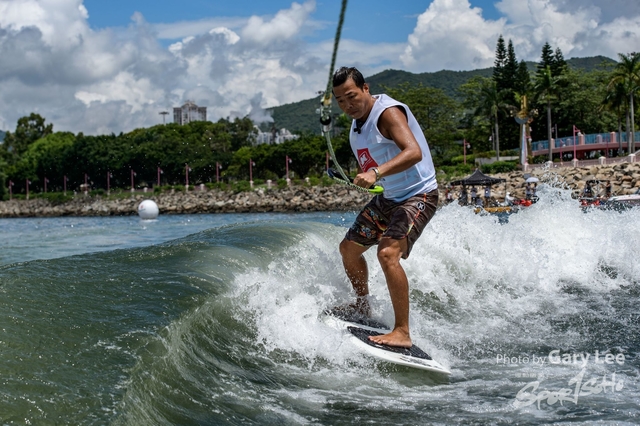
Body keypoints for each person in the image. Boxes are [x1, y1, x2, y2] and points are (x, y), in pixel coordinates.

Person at [331, 67, 439, 348]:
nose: (347, 105)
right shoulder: (357, 126)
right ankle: (362, 305)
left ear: (366, 88)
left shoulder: (387, 113)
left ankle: (402, 331)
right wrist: (364, 177)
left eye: (352, 96)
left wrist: (376, 174)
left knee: (388, 253)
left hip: (419, 194)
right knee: (349, 250)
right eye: (340, 100)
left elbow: (413, 152)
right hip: (389, 197)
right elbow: (372, 161)